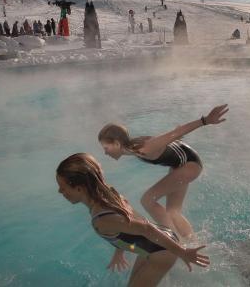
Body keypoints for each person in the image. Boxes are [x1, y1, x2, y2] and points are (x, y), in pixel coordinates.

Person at [56, 153, 209, 286]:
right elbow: (126, 224)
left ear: (79, 188)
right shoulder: (109, 194)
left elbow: (145, 228)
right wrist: (119, 251)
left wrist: (183, 252)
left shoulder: (101, 219)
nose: (60, 191)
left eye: (62, 187)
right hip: (158, 241)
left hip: (161, 251)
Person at [98, 104, 228, 239]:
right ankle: (192, 242)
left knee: (147, 200)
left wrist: (205, 120)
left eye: (106, 147)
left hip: (190, 165)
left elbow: (175, 133)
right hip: (180, 166)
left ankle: (174, 240)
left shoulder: (144, 148)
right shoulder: (134, 147)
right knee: (173, 211)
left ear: (117, 144)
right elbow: (172, 137)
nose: (105, 152)